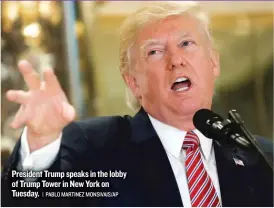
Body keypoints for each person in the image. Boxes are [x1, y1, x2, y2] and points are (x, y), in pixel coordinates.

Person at [2, 2, 273, 207]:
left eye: (186, 43)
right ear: (133, 82)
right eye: (155, 51)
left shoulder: (262, 157)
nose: (176, 60)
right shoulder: (93, 146)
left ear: (213, 62)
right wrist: (41, 144)